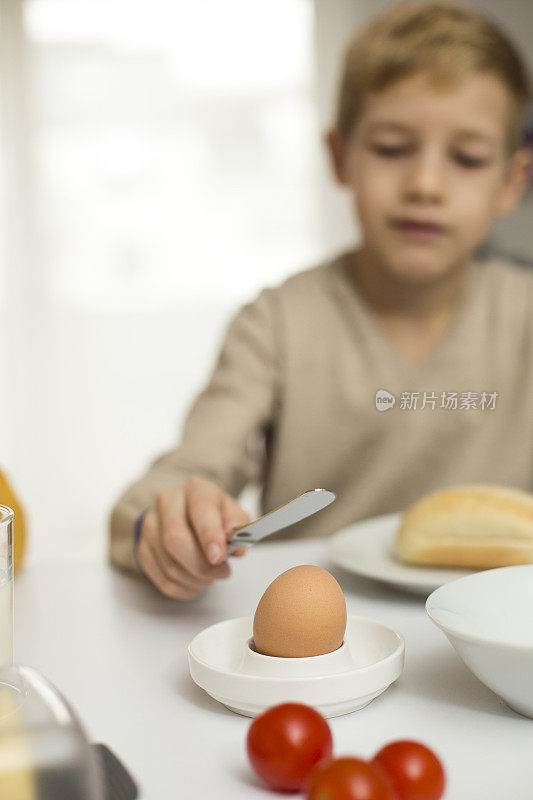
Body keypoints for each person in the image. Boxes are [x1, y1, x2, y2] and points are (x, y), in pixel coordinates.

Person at [109, 2, 533, 600]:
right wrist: (167, 520)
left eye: (466, 158)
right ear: (338, 157)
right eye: (391, 147)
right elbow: (170, 485)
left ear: (512, 181)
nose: (425, 185)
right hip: (315, 644)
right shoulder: (277, 323)